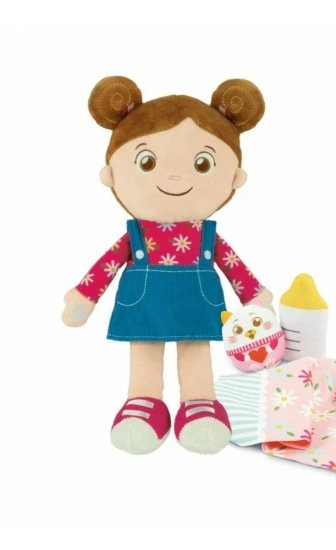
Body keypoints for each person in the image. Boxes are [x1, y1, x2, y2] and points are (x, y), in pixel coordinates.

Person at [62, 76, 273, 455]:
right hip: (145, 305)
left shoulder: (208, 235)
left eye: (202, 163)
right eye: (147, 161)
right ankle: (143, 403)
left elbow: (232, 265)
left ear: (234, 178)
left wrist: (253, 298)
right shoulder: (134, 236)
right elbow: (106, 265)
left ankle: (199, 403)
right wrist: (84, 297)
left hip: (196, 303)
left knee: (195, 352)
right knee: (144, 352)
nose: (175, 177)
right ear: (111, 174)